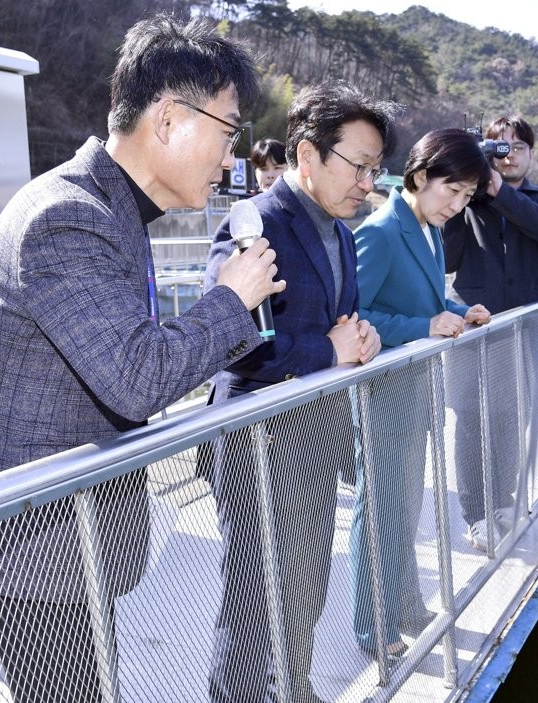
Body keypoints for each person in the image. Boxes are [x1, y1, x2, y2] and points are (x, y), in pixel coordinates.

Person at [0, 14, 279, 703]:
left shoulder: (111, 210)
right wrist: (229, 302)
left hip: (62, 542)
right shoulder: (66, 215)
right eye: (228, 130)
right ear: (168, 119)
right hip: (29, 550)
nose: (229, 159)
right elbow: (136, 377)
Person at [203, 80, 398, 703]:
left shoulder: (340, 230)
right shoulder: (256, 221)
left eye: (375, 169)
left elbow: (339, 323)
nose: (368, 184)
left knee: (309, 579)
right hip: (257, 443)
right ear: (308, 154)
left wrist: (360, 338)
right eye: (359, 167)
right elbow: (230, 339)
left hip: (314, 432)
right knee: (256, 596)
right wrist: (328, 352)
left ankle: (295, 687)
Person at [351, 128, 491, 657]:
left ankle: (406, 605)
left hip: (414, 390)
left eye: (467, 197)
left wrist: (460, 312)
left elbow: (430, 299)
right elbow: (353, 316)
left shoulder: (427, 229)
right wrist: (424, 326)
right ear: (419, 175)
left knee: (406, 506)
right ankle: (374, 625)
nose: (457, 205)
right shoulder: (383, 230)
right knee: (380, 508)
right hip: (382, 392)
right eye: (451, 191)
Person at [441, 116, 538, 552]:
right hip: (474, 329)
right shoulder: (466, 200)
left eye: (518, 146)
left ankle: (503, 503)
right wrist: (464, 192)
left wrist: (499, 192)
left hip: (522, 330)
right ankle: (476, 514)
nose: (509, 154)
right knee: (470, 420)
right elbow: (445, 259)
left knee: (511, 420)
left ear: (532, 153)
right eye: (498, 147)